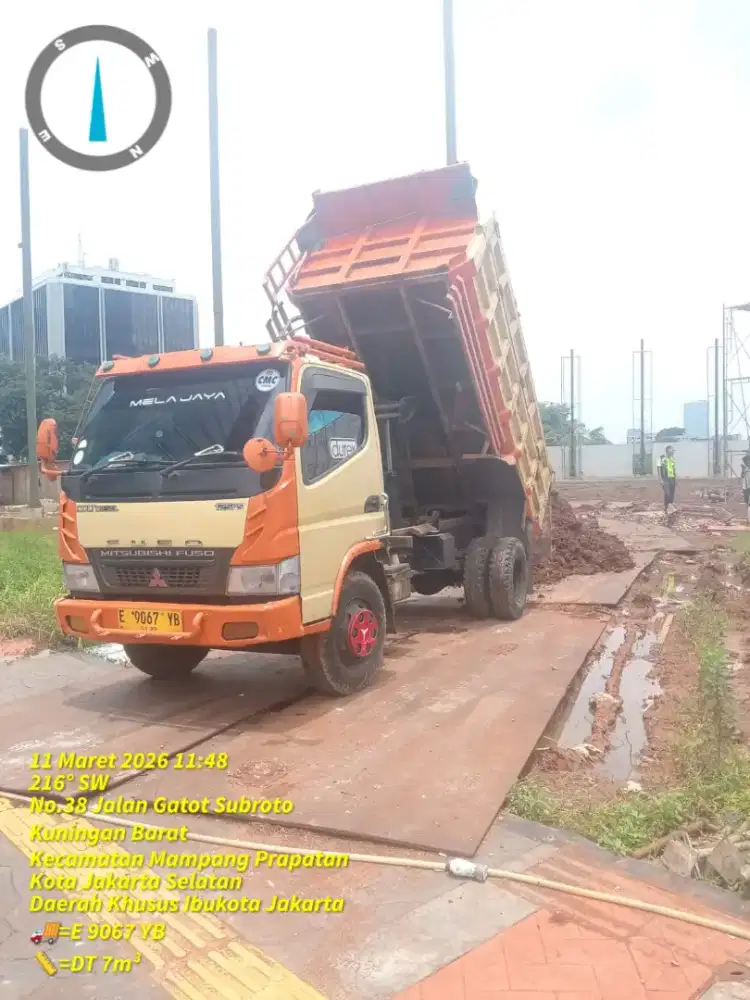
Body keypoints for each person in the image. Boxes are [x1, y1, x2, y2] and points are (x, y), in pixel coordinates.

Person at [658, 446, 677, 515]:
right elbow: (659, 469)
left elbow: (673, 469)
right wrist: (660, 479)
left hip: (672, 479)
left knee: (672, 494)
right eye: (672, 450)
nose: (673, 452)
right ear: (667, 451)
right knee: (667, 494)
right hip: (665, 479)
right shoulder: (661, 458)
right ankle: (666, 509)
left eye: (673, 451)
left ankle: (670, 509)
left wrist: (676, 478)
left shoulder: (673, 459)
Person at [741, 452, 750, 522]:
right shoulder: (745, 469)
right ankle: (748, 518)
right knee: (747, 503)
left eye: (747, 461)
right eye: (745, 461)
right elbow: (742, 478)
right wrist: (742, 470)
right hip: (746, 488)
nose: (746, 462)